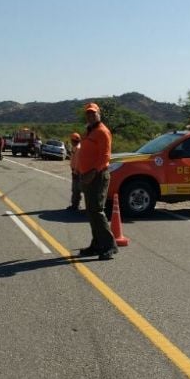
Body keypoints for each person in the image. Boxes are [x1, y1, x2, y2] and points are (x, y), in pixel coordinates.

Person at [77, 102, 117, 260]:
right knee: (91, 212)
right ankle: (97, 244)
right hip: (87, 175)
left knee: (97, 211)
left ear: (99, 114)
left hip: (97, 175)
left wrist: (92, 173)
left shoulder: (102, 131)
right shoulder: (89, 131)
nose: (90, 115)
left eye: (93, 113)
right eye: (88, 113)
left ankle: (110, 245)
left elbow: (105, 156)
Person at [66, 132, 82, 211]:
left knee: (76, 189)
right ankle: (75, 205)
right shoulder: (74, 148)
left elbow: (79, 162)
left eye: (71, 140)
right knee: (75, 189)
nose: (71, 142)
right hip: (74, 171)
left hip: (77, 172)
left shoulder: (78, 149)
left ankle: (75, 205)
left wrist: (75, 171)